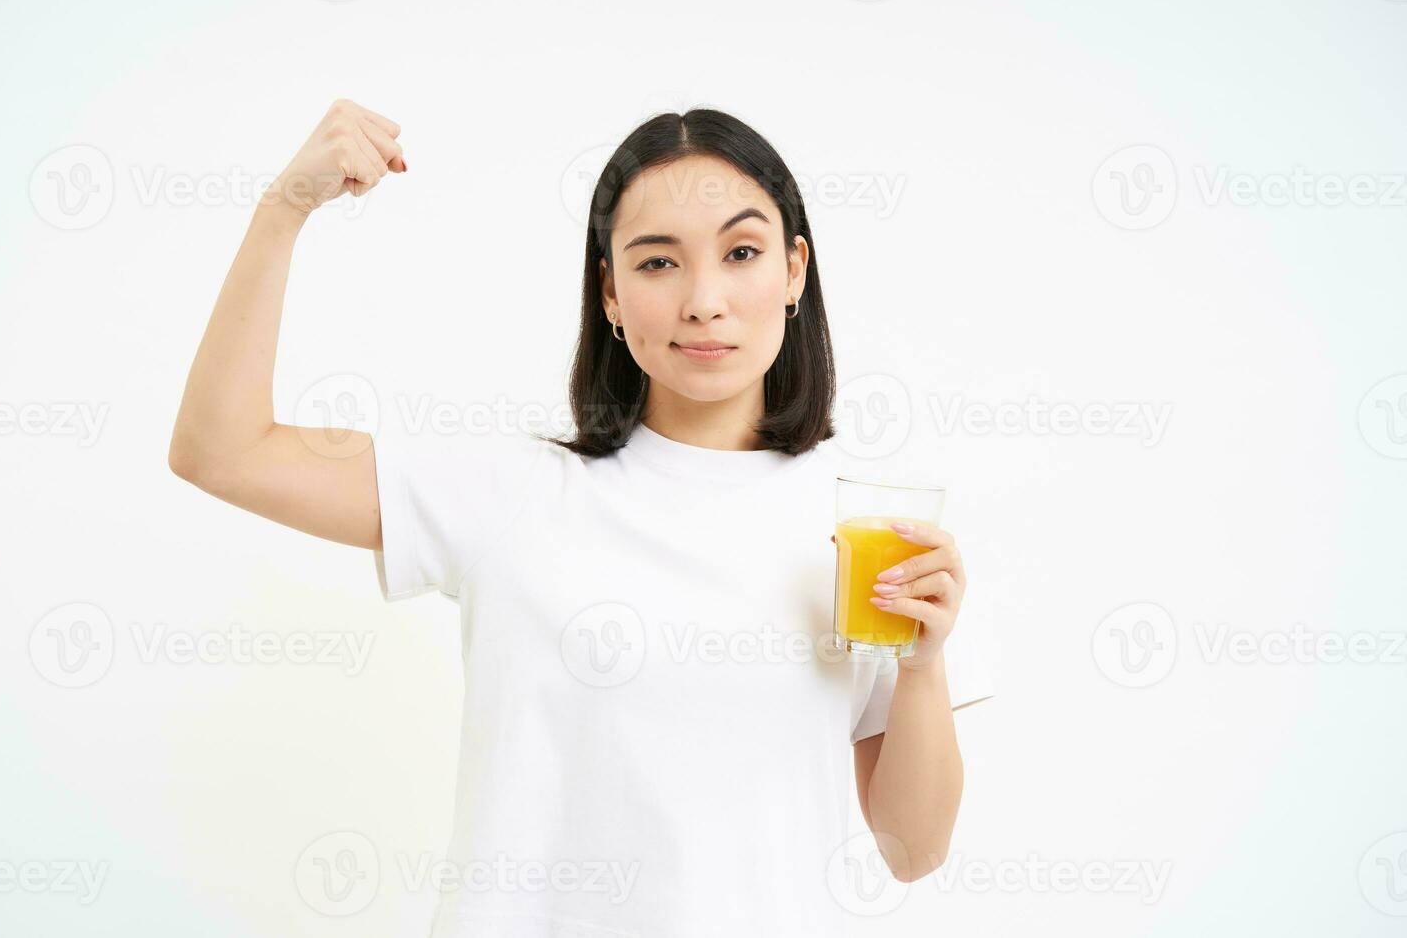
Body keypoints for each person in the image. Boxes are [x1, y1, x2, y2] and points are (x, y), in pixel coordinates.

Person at [168, 99, 994, 937]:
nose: (704, 300)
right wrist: (286, 207)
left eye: (741, 252)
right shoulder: (513, 491)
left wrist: (923, 667)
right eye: (657, 263)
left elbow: (912, 849)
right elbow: (222, 451)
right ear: (609, 290)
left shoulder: (867, 531)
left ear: (792, 271)